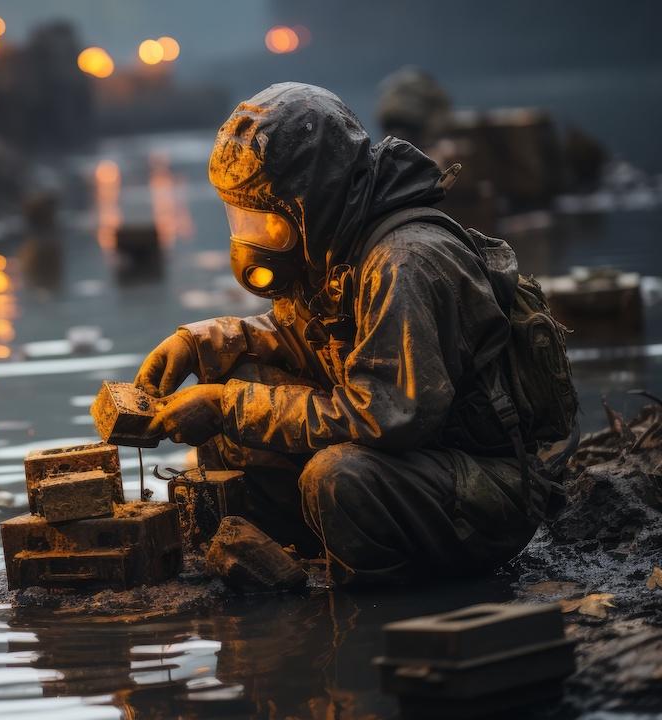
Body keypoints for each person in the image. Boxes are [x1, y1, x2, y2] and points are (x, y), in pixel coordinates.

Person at [136, 83, 574, 585]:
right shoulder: (333, 244)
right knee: (242, 374)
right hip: (418, 470)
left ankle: (373, 608)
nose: (254, 236)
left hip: (485, 493)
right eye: (242, 218)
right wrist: (201, 342)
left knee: (338, 476)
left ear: (312, 199)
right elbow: (297, 334)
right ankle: (287, 554)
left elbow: (386, 415)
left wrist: (227, 406)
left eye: (267, 219)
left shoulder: (403, 262)